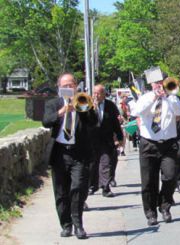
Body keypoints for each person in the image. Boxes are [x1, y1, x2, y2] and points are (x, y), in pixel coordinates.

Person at [42, 72, 98, 239]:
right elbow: (46, 121)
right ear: (59, 88)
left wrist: (84, 108)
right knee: (61, 192)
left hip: (79, 153)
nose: (68, 88)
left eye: (71, 85)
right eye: (65, 86)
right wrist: (61, 111)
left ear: (76, 86)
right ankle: (66, 225)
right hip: (60, 152)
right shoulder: (53, 103)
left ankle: (78, 224)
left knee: (78, 189)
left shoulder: (82, 102)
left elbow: (94, 122)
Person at [132, 73, 180, 226]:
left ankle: (165, 206)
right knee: (148, 181)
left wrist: (170, 96)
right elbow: (137, 111)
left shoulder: (172, 97)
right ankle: (150, 213)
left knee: (170, 176)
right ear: (151, 85)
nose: (160, 85)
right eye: (157, 83)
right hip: (149, 143)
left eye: (162, 82)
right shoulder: (145, 97)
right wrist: (154, 97)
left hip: (168, 144)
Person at [91, 84, 124, 197]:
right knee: (93, 164)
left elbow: (116, 123)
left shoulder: (110, 105)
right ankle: (92, 186)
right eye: (94, 93)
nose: (96, 95)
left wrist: (119, 137)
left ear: (104, 94)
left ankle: (105, 187)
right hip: (92, 140)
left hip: (106, 139)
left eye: (98, 93)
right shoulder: (87, 105)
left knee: (106, 163)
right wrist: (92, 109)